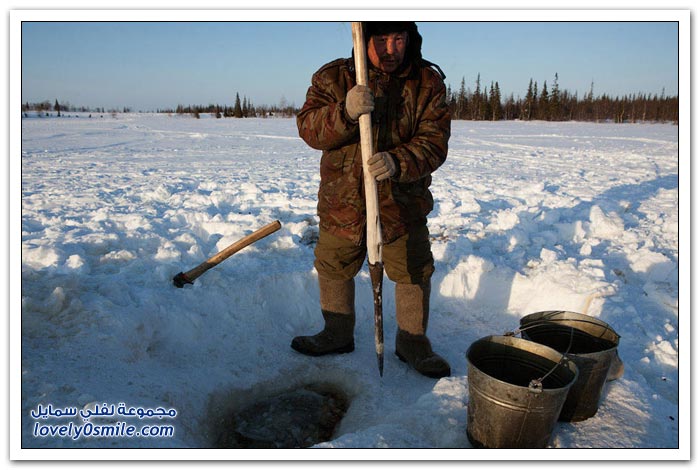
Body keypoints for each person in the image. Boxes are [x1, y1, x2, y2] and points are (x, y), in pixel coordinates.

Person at [293, 21, 451, 379]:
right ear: (363, 39)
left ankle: (412, 342)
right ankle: (336, 334)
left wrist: (399, 161)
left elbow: (434, 143)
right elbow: (309, 129)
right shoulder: (332, 78)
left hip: (401, 205)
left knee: (412, 270)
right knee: (334, 266)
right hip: (342, 202)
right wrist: (344, 112)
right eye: (380, 39)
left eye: (398, 38)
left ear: (410, 39)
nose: (390, 49)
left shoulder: (426, 82)